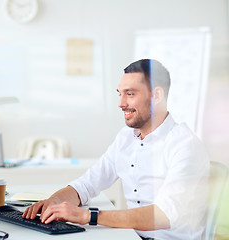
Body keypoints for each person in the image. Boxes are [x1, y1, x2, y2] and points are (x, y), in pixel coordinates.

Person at [22, 59, 209, 239]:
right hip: (129, 235)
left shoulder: (185, 145)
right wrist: (54, 202)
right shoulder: (126, 138)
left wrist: (88, 216)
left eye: (130, 94)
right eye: (120, 93)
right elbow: (88, 184)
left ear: (157, 96)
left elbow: (164, 214)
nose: (121, 103)